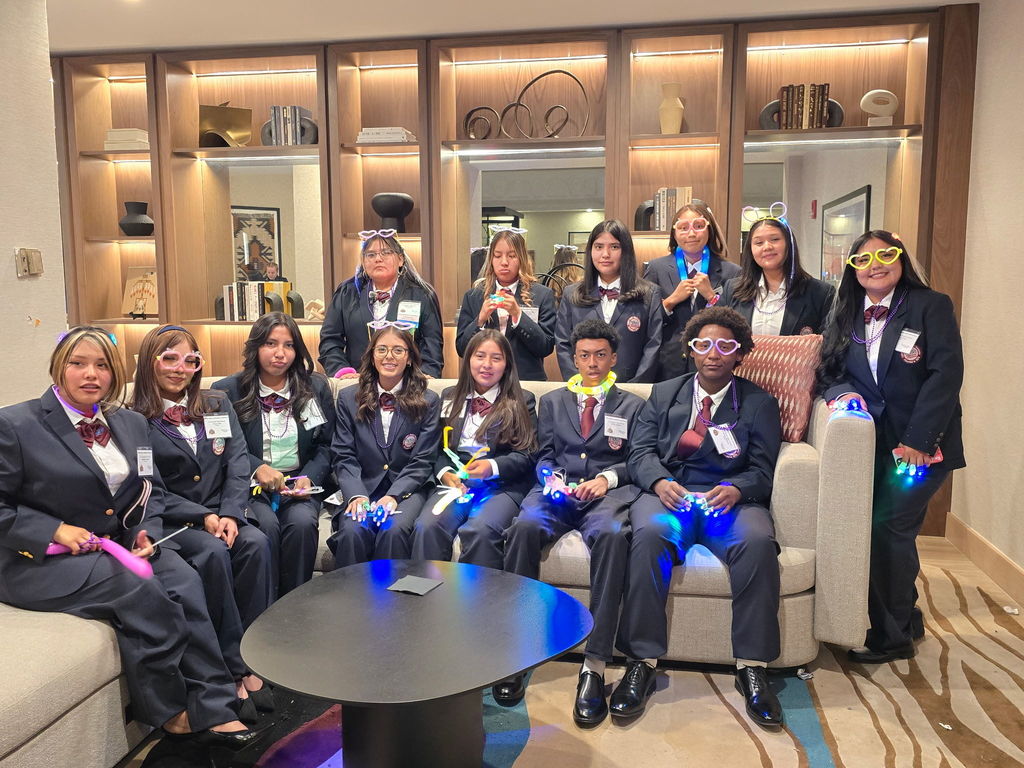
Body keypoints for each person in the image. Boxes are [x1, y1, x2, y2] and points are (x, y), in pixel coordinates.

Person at [0, 327, 259, 749]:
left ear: (116, 373)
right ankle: (167, 709)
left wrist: (144, 530)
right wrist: (53, 529)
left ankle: (214, 703)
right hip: (42, 561)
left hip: (120, 545)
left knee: (184, 579)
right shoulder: (16, 424)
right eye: (78, 363)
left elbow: (149, 490)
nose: (91, 374)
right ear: (57, 367)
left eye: (102, 365)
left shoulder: (130, 423)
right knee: (139, 587)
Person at [617, 307, 784, 727]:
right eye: (704, 344)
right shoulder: (663, 393)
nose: (714, 353)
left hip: (727, 501)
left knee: (757, 543)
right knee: (650, 536)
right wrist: (658, 483)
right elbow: (640, 453)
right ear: (691, 350)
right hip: (670, 496)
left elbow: (763, 471)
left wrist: (737, 489)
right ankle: (642, 662)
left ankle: (752, 667)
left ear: (739, 353)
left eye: (725, 346)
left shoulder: (759, 403)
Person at [818, 230, 964, 663]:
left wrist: (919, 441)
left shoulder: (929, 306)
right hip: (870, 447)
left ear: (901, 259)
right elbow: (829, 372)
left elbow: (945, 376)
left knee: (888, 529)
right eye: (863, 259)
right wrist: (843, 395)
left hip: (921, 446)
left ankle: (891, 637)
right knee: (884, 533)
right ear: (852, 270)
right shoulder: (844, 314)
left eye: (885, 254)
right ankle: (905, 614)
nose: (875, 264)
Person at [129, 324, 275, 719]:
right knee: (212, 555)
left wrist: (229, 512)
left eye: (190, 360)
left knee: (257, 545)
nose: (180, 368)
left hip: (223, 512)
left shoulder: (215, 403)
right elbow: (150, 488)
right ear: (149, 362)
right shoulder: (133, 419)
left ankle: (255, 655)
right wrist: (204, 516)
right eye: (169, 358)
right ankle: (232, 668)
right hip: (178, 523)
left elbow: (238, 463)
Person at [503, 318, 645, 720]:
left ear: (613, 358)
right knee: (524, 527)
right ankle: (519, 649)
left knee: (615, 535)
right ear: (573, 358)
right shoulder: (552, 402)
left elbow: (637, 461)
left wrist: (605, 479)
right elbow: (543, 454)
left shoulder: (632, 405)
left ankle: (595, 664)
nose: (592, 363)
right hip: (558, 496)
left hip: (605, 495)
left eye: (601, 355)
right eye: (584, 355)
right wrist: (550, 477)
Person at [213, 312, 336, 598]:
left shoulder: (315, 387)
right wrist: (257, 469)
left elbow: (328, 445)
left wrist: (309, 476)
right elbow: (223, 447)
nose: (280, 353)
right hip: (249, 484)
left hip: (298, 484)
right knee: (265, 526)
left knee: (303, 524)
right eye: (270, 344)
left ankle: (295, 608)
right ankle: (263, 611)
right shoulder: (226, 391)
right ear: (255, 347)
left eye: (289, 345)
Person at [411, 329, 537, 571]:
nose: (486, 365)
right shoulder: (450, 396)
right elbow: (435, 448)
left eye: (496, 358)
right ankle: (425, 601)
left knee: (480, 530)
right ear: (468, 359)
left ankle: (478, 606)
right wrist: (444, 472)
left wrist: (492, 467)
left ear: (507, 364)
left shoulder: (522, 400)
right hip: (456, 484)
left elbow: (527, 455)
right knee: (427, 527)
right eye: (480, 356)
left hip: (501, 486)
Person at [327, 324, 442, 567]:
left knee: (393, 529)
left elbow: (423, 460)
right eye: (382, 349)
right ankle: (351, 600)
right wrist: (356, 495)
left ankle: (393, 603)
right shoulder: (349, 398)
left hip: (406, 489)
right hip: (363, 486)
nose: (389, 356)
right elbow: (343, 455)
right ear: (371, 356)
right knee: (353, 530)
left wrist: (393, 496)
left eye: (398, 350)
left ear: (409, 358)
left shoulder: (428, 400)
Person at [319, 230, 444, 379]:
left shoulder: (421, 294)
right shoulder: (347, 292)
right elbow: (330, 339)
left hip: (408, 384)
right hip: (357, 382)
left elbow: (432, 342)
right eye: (371, 255)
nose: (378, 259)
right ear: (364, 262)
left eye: (386, 253)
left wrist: (425, 374)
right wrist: (343, 371)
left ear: (400, 259)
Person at [555, 220, 662, 383]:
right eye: (598, 247)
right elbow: (563, 344)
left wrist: (635, 388)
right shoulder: (572, 294)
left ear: (626, 251)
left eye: (614, 247)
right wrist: (579, 385)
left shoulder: (649, 294)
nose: (605, 254)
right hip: (584, 390)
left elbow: (653, 346)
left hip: (632, 391)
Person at [643, 200, 740, 379]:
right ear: (675, 232)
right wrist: (671, 301)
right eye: (683, 227)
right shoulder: (656, 268)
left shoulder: (732, 271)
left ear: (708, 230)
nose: (691, 233)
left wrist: (712, 296)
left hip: (713, 361)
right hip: (667, 363)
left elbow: (738, 323)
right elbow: (645, 319)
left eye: (698, 226)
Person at [455, 228, 556, 381]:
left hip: (525, 381)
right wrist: (480, 319)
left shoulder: (542, 295)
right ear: (491, 260)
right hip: (483, 381)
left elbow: (545, 347)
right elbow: (462, 349)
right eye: (497, 256)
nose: (504, 262)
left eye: (512, 256)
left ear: (522, 258)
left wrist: (518, 315)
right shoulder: (473, 296)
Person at [719, 210, 835, 335]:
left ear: (789, 245)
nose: (767, 247)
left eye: (774, 239)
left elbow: (829, 345)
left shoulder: (820, 293)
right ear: (750, 250)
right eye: (758, 242)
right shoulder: (732, 289)